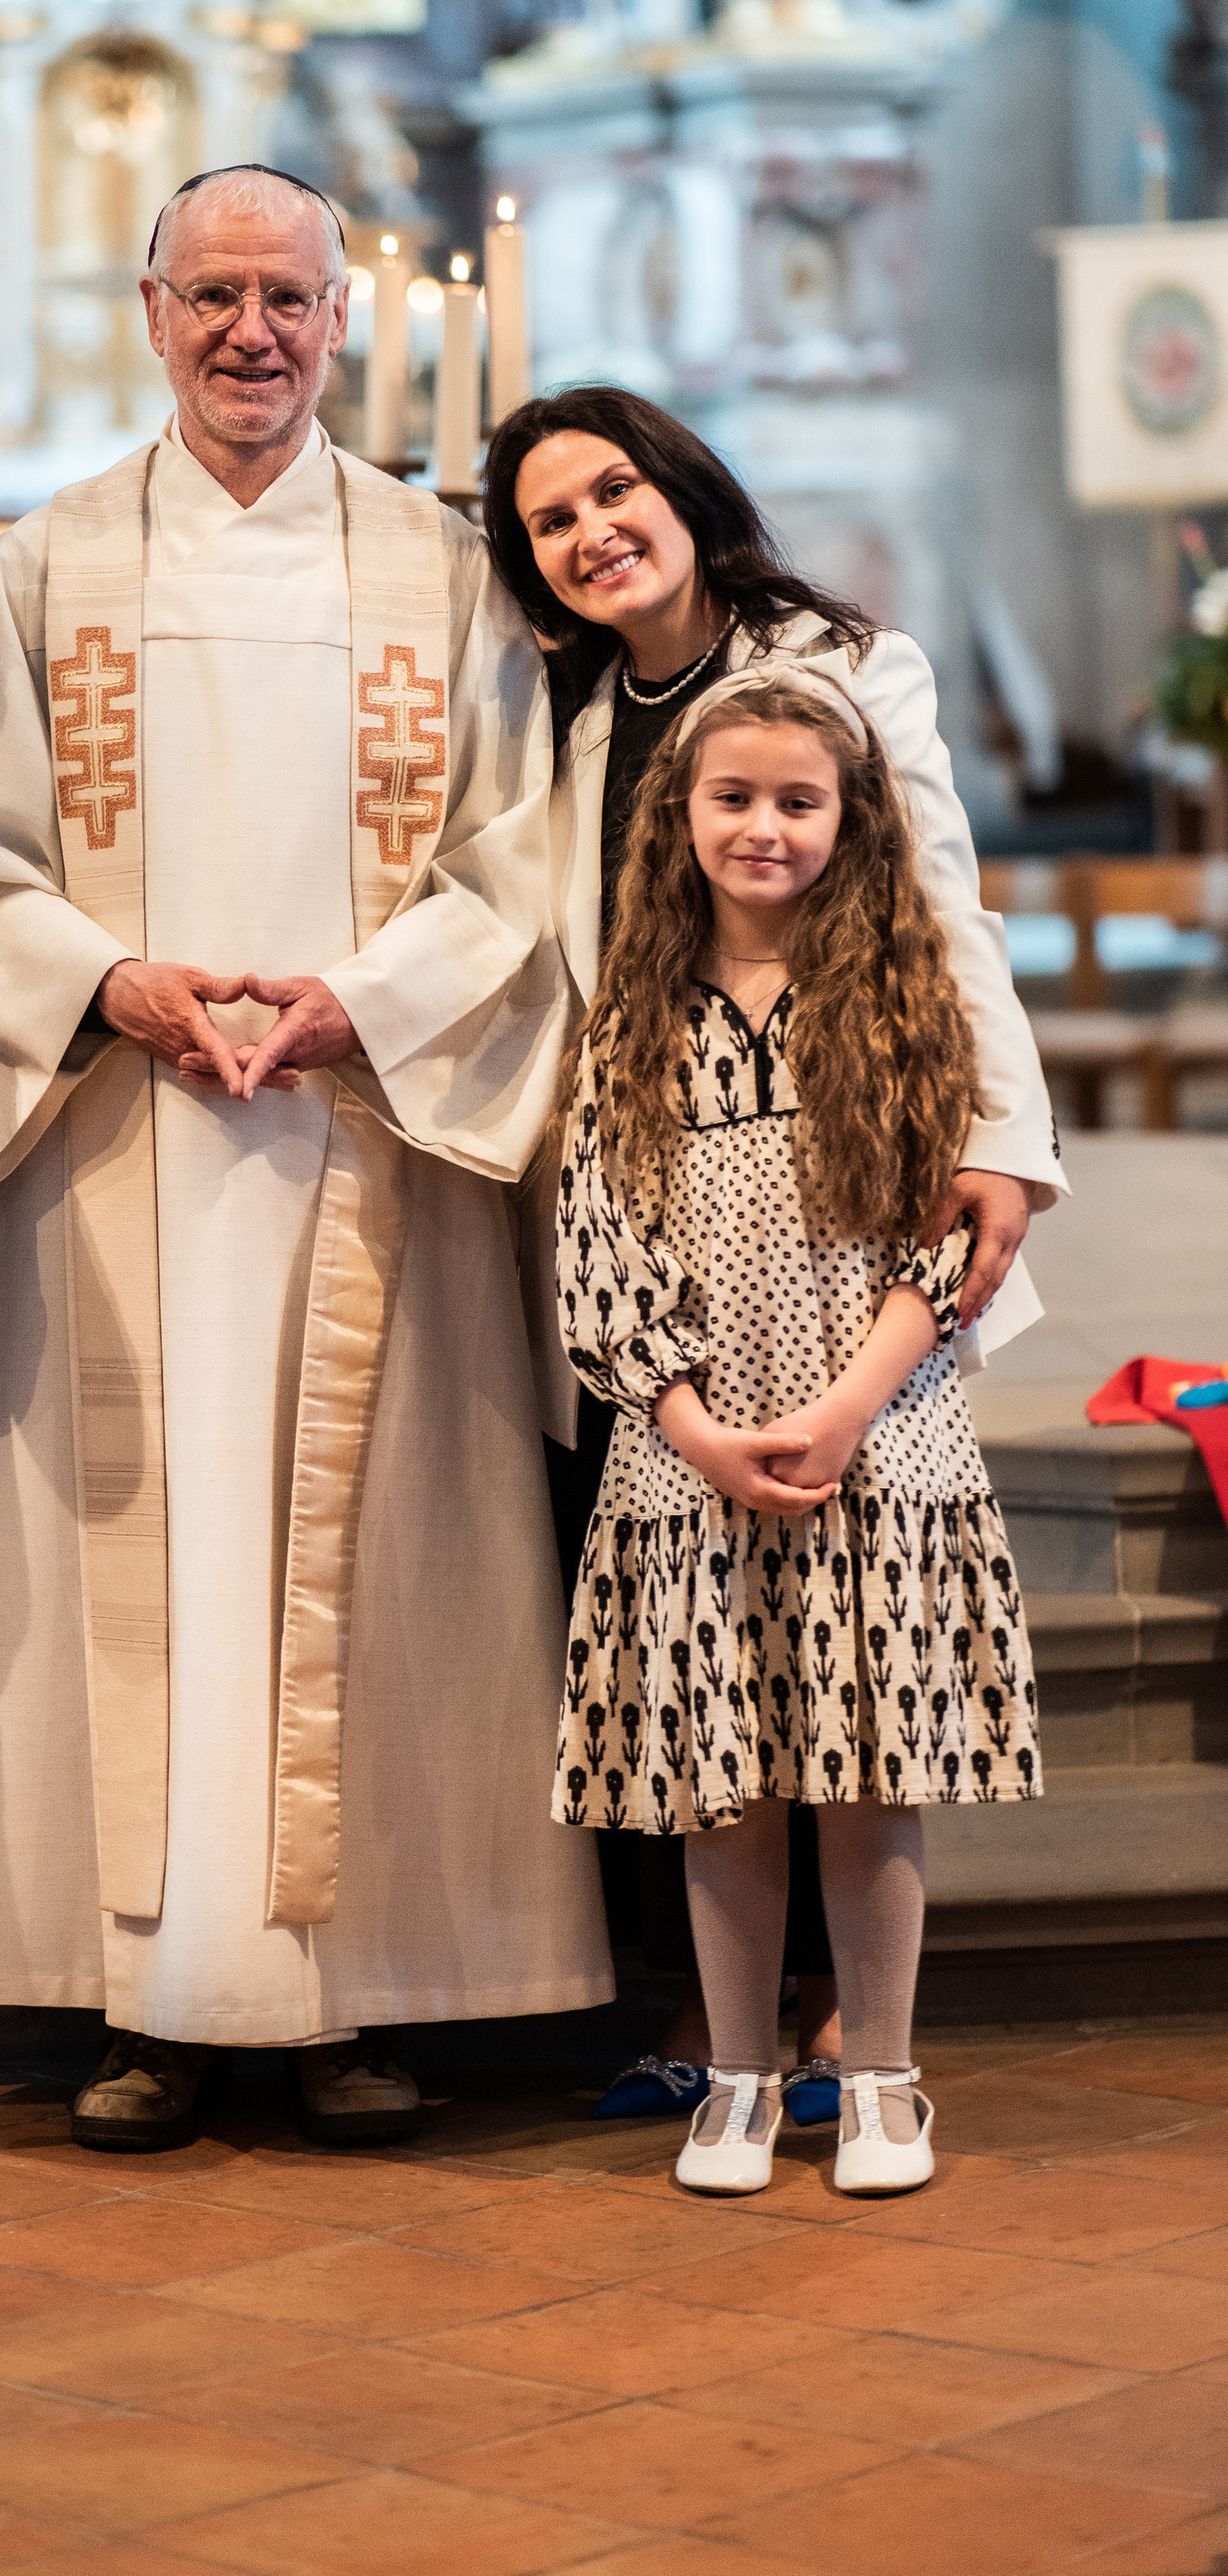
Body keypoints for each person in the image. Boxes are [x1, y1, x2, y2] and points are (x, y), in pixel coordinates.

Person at [0, 163, 612, 2153]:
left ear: (342, 317)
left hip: (367, 1136)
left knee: (380, 1575)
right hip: (127, 1143)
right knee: (147, 1564)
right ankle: (148, 1997)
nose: (251, 335)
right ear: (150, 309)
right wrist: (115, 988)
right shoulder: (52, 567)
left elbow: (517, 859)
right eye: (213, 298)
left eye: (286, 298)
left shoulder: (443, 570)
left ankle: (353, 1995)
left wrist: (356, 1002)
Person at [480, 389, 1065, 2122]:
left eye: (611, 490)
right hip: (665, 1204)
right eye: (548, 520)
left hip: (848, 1188)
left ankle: (834, 2024)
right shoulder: (572, 705)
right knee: (686, 1621)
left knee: (845, 1632)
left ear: (679, 488)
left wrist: (994, 1144)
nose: (590, 531)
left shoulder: (840, 663)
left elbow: (939, 899)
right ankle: (706, 2013)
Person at [553, 668, 1042, 2197]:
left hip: (876, 1439)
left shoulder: (893, 1003)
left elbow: (936, 1245)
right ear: (676, 817)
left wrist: (841, 1411)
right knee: (726, 1779)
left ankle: (883, 2075)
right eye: (731, 799)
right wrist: (691, 1424)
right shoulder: (629, 1011)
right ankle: (739, 2082)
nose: (760, 828)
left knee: (866, 1771)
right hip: (687, 1456)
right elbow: (596, 1234)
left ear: (849, 820)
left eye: (794, 802)